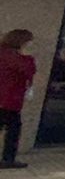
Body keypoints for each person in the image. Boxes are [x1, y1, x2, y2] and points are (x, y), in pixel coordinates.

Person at [1, 28, 35, 169]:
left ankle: (8, 158)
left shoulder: (3, 53)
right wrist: (27, 57)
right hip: (8, 99)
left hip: (6, 98)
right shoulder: (17, 59)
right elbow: (28, 71)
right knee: (13, 129)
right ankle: (8, 159)